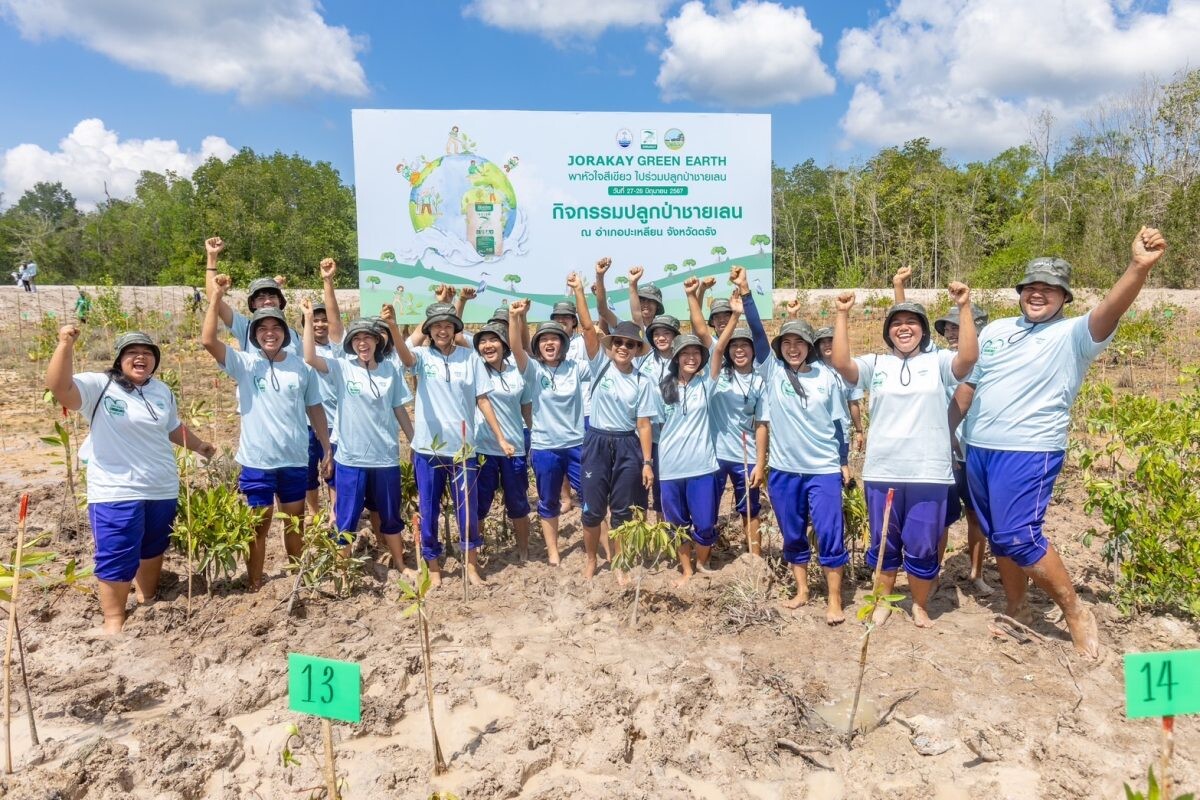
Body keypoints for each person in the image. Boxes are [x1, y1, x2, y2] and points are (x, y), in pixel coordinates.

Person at [950, 228, 1167, 658]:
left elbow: (1109, 309)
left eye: (1049, 289)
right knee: (999, 538)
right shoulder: (994, 332)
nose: (1038, 294)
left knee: (1019, 535)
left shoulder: (1074, 336)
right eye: (1031, 287)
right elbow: (970, 385)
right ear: (1020, 293)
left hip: (1030, 448)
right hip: (978, 447)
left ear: (1064, 297)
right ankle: (1018, 609)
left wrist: (1137, 268)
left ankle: (1073, 610)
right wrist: (946, 435)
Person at [46, 328, 215, 633]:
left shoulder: (162, 391)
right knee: (117, 551)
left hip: (161, 486)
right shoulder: (100, 385)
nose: (141, 358)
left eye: (147, 353)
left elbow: (172, 427)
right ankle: (114, 619)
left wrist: (199, 444)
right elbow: (60, 387)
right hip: (115, 488)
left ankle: (147, 597)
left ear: (155, 360)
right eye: (132, 352)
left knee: (153, 546)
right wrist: (64, 345)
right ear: (119, 359)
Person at [831, 284, 978, 628]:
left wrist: (965, 306)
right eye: (897, 323)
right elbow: (841, 363)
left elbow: (968, 358)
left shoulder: (939, 361)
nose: (904, 327)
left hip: (929, 473)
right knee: (885, 542)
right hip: (884, 471)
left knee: (923, 544)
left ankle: (919, 604)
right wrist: (841, 314)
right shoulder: (876, 364)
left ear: (924, 330)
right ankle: (882, 602)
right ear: (888, 332)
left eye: (912, 321)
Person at [201, 273, 331, 590]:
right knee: (257, 527)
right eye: (263, 329)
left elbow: (315, 408)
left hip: (295, 459)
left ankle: (297, 578)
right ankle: (255, 582)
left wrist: (327, 449)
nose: (269, 333)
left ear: (285, 333)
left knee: (294, 524)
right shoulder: (244, 363)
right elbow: (208, 341)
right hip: (257, 461)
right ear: (255, 334)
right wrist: (216, 297)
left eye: (275, 328)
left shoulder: (301, 366)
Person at [392, 302, 514, 588]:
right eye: (436, 326)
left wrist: (500, 437)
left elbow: (482, 399)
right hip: (429, 449)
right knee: (429, 508)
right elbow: (406, 360)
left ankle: (471, 566)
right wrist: (393, 327)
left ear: (455, 328)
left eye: (447, 325)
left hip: (463, 450)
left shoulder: (470, 358)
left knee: (466, 510)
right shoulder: (421, 356)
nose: (442, 330)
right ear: (429, 331)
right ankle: (433, 568)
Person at [302, 303, 413, 570]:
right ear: (352, 343)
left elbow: (399, 408)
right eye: (357, 338)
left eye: (368, 337)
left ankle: (399, 563)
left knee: (390, 515)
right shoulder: (342, 367)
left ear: (377, 341)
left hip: (385, 457)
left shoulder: (390, 370)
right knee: (346, 517)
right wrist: (307, 319)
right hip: (351, 458)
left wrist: (414, 440)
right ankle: (343, 570)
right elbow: (309, 358)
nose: (363, 343)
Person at [756, 317, 848, 622]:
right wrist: (744, 293)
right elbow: (756, 331)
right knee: (792, 533)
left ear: (809, 347)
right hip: (783, 470)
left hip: (822, 469)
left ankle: (834, 599)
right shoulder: (772, 371)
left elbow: (838, 424)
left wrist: (844, 461)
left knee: (829, 532)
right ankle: (803, 590)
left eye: (799, 343)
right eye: (786, 343)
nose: (792, 348)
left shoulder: (827, 377)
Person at [513, 277, 600, 565]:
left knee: (591, 498)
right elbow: (516, 349)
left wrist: (579, 292)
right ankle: (553, 551)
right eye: (545, 340)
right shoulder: (534, 371)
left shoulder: (576, 368)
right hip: (545, 446)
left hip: (577, 444)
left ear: (563, 344)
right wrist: (516, 319)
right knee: (548, 501)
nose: (550, 343)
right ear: (539, 346)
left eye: (555, 339)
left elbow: (591, 338)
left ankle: (598, 550)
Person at [581, 320, 657, 579]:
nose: (624, 347)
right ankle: (591, 560)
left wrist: (647, 463)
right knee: (592, 508)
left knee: (623, 510)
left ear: (637, 349)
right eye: (619, 342)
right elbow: (588, 329)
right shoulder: (600, 366)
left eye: (631, 344)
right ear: (611, 345)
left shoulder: (642, 381)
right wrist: (580, 289)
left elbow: (644, 424)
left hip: (627, 444)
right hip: (597, 441)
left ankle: (620, 564)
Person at [706, 267, 770, 555]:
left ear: (752, 350)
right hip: (715, 454)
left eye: (745, 345)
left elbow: (760, 425)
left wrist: (759, 463)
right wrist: (735, 316)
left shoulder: (759, 380)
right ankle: (706, 555)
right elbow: (717, 350)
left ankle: (754, 558)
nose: (740, 350)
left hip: (743, 457)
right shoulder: (718, 374)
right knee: (708, 507)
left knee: (750, 508)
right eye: (735, 346)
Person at [933, 302, 992, 594]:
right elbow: (903, 316)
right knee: (940, 515)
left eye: (958, 326)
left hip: (976, 451)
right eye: (949, 328)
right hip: (944, 451)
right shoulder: (940, 359)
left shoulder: (990, 361)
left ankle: (976, 573)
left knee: (976, 515)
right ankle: (933, 574)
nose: (952, 332)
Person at [657, 331, 721, 582]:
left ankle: (703, 562)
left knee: (705, 523)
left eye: (696, 353)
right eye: (685, 353)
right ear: (676, 358)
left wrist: (736, 315)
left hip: (702, 467)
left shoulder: (706, 384)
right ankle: (686, 569)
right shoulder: (662, 386)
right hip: (671, 468)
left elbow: (718, 349)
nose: (691, 357)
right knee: (677, 524)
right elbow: (657, 426)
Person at [470, 311, 533, 560]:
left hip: (514, 448)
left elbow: (526, 408)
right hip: (483, 448)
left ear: (505, 344)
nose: (488, 345)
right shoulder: (475, 370)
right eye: (483, 341)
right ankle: (478, 545)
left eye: (493, 339)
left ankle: (524, 548)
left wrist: (534, 437)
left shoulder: (517, 372)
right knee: (480, 502)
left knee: (518, 502)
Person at [204, 237, 302, 355]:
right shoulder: (246, 328)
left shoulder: (294, 335)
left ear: (280, 301)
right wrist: (212, 257)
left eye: (272, 296)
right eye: (261, 298)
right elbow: (214, 299)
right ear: (253, 304)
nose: (268, 301)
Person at [813, 327, 864, 485]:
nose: (827, 345)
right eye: (823, 342)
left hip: (841, 428)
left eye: (831, 341)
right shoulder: (813, 368)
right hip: (818, 430)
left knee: (842, 467)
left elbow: (853, 402)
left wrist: (859, 430)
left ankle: (843, 502)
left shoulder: (849, 368)